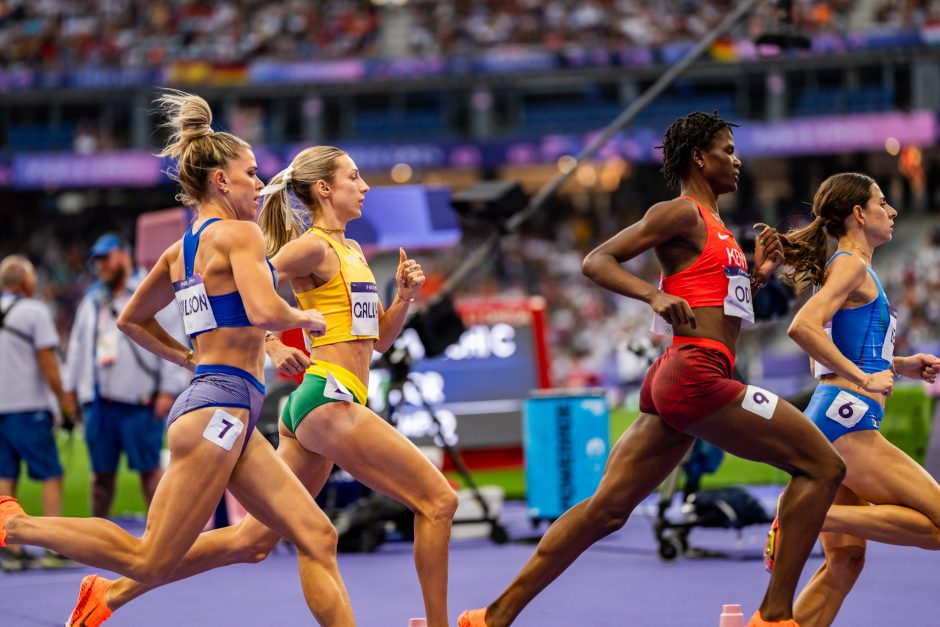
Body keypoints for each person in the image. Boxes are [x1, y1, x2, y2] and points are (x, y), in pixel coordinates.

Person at [458, 111, 846, 627]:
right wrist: (652, 295)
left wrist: (757, 278)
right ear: (698, 158)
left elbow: (718, 308)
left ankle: (491, 617)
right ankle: (774, 617)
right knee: (823, 468)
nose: (736, 160)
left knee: (606, 511)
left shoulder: (719, 229)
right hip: (697, 375)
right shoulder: (680, 214)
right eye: (727, 150)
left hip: (685, 375)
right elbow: (597, 260)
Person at [0, 90, 355, 627]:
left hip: (223, 406)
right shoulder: (240, 234)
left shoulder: (182, 248)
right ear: (221, 181)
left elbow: (131, 321)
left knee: (311, 534)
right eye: (251, 174)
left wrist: (189, 359)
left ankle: (94, 583)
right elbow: (261, 309)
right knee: (149, 559)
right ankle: (14, 526)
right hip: (218, 412)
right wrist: (302, 320)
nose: (259, 184)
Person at [66, 145, 458, 627]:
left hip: (327, 402)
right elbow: (246, 292)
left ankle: (111, 592)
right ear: (324, 189)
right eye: (354, 177)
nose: (365, 187)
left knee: (253, 541)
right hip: (325, 399)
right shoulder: (309, 246)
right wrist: (271, 342)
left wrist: (403, 298)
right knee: (439, 502)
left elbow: (377, 343)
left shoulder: (352, 251)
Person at [770, 172, 940, 627]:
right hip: (846, 424)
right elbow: (801, 329)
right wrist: (864, 377)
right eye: (883, 202)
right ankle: (808, 514)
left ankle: (812, 516)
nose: (893, 211)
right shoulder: (849, 266)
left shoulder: (846, 268)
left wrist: (900, 365)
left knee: (844, 566)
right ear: (859, 214)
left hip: (831, 417)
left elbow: (832, 356)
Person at [63, 233, 191, 518]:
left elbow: (173, 339)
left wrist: (169, 390)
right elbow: (77, 349)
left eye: (105, 258)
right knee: (100, 476)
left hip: (140, 402)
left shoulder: (149, 290)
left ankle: (162, 536)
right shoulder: (93, 300)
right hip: (99, 404)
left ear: (124, 254)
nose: (101, 266)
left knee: (149, 472)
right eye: (97, 261)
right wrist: (71, 392)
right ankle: (97, 537)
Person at [0, 255, 77, 570]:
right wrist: (64, 403)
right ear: (26, 282)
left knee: (5, 479)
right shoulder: (34, 311)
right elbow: (48, 364)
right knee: (51, 474)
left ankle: (9, 550)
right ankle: (52, 547)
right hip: (28, 408)